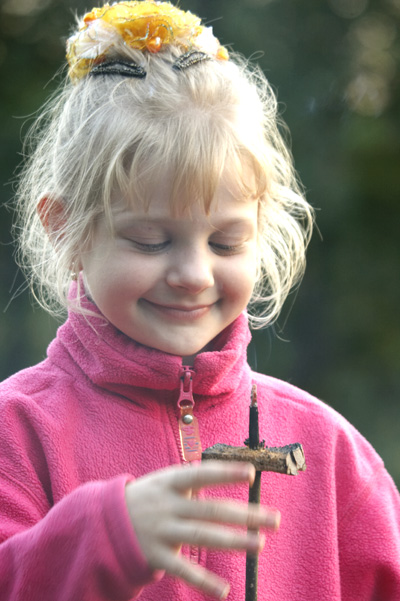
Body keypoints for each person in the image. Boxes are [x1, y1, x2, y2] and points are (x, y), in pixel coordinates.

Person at [1, 1, 399, 600]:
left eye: (226, 241)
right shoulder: (18, 432)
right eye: (151, 240)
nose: (192, 273)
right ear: (66, 230)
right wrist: (100, 537)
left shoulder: (329, 448)